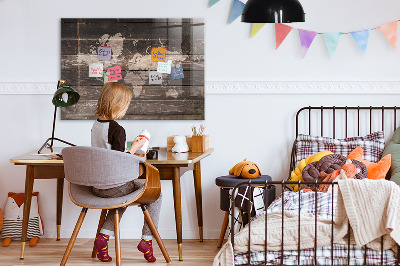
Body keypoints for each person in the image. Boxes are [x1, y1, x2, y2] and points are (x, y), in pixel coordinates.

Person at [91, 82, 162, 263]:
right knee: (156, 194)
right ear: (117, 105)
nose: (126, 109)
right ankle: (147, 240)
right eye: (126, 105)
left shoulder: (96, 125)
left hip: (97, 186)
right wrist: (136, 148)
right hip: (114, 186)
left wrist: (132, 150)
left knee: (121, 198)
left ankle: (104, 238)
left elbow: (108, 154)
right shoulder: (117, 129)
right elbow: (119, 161)